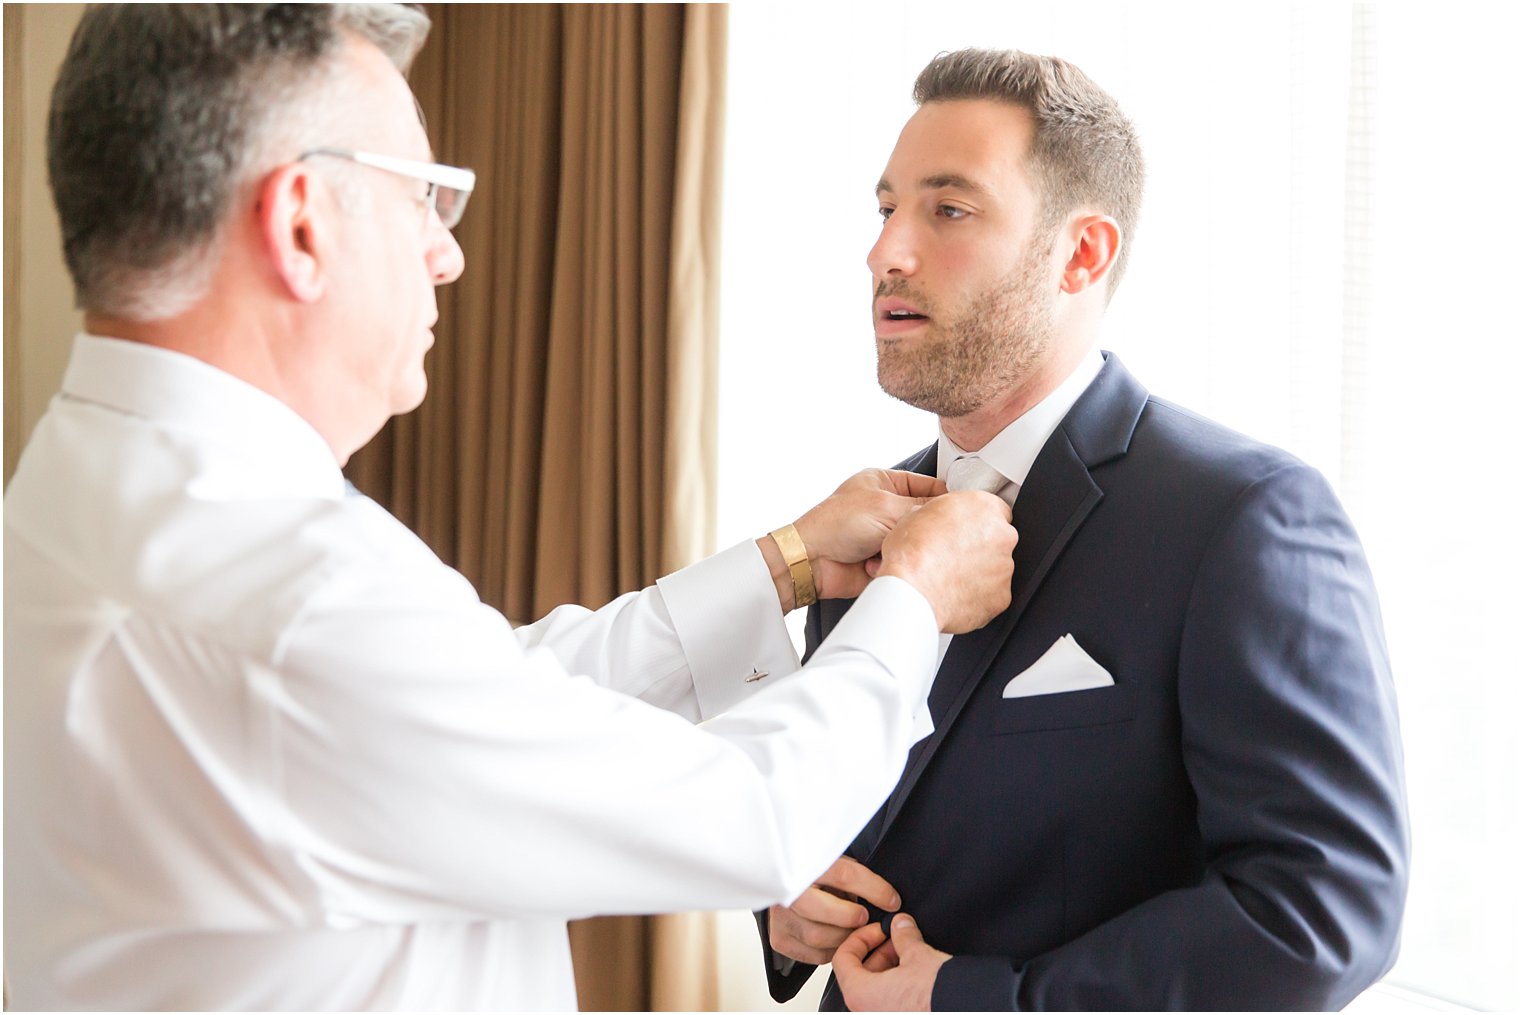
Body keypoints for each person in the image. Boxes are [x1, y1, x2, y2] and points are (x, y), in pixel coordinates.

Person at [1, 7, 1020, 1011]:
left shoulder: (78, 483)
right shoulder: (288, 595)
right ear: (302, 224)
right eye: (423, 199)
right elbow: (750, 814)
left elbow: (479, 705)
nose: (445, 255)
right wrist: (913, 600)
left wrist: (783, 564)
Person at [757, 48, 1409, 1011]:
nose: (885, 251)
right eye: (886, 206)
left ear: (1084, 253)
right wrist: (789, 896)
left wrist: (979, 1000)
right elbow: (851, 797)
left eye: (948, 209)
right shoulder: (869, 515)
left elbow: (1321, 909)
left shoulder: (1243, 517)